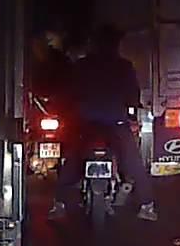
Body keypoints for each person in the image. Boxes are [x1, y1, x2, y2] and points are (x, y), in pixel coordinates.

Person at [48, 24, 158, 222]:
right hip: (115, 122)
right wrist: (132, 111)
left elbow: (69, 93)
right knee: (132, 162)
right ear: (116, 45)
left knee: (72, 160)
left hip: (85, 123)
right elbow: (133, 96)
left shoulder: (82, 66)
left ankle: (59, 205)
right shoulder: (124, 66)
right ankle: (146, 205)